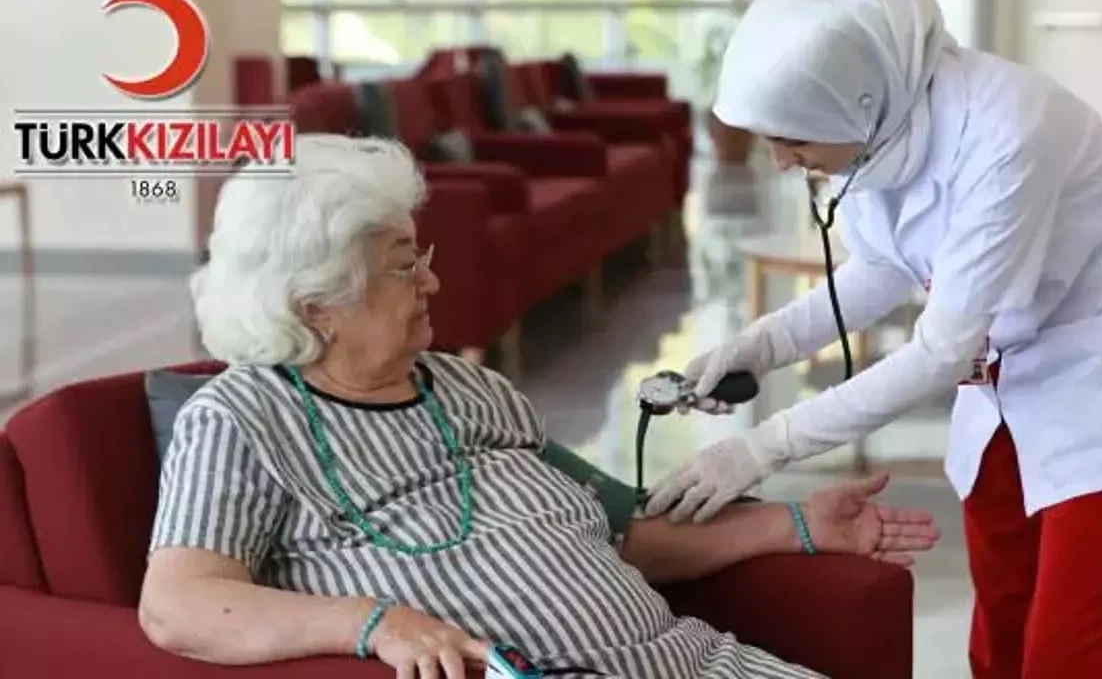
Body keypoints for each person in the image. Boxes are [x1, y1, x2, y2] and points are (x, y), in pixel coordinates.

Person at [137, 133, 941, 679]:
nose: (433, 282)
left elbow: (619, 531)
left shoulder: (466, 387)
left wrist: (798, 524)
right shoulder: (241, 419)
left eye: (423, 256)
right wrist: (370, 622)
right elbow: (178, 606)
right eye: (401, 265)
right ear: (316, 303)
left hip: (693, 661)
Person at [642, 0, 1102, 677]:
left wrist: (763, 448)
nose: (782, 162)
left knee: (1078, 647)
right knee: (1003, 618)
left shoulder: (1006, 131)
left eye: (793, 141)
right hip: (1004, 376)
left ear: (862, 103)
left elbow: (939, 351)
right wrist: (762, 345)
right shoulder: (885, 129)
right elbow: (885, 264)